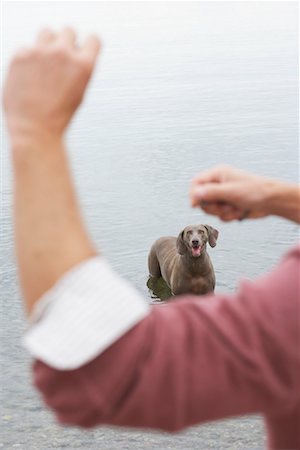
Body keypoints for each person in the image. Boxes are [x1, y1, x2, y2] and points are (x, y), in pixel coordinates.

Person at [3, 28, 300, 450]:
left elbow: (89, 371)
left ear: (205, 239)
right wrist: (280, 198)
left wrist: (34, 132)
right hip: (177, 282)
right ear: (187, 241)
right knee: (159, 290)